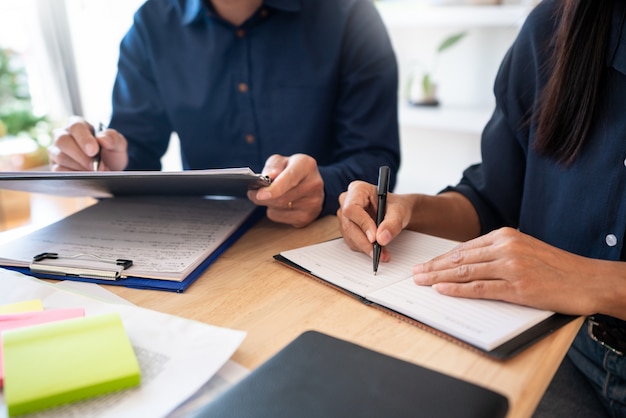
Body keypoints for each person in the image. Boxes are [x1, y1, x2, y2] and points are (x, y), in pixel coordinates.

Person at [337, 1, 626, 416]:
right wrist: (408, 209)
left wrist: (591, 282)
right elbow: (492, 201)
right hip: (557, 352)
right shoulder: (551, 28)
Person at [48, 0, 400, 228]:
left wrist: (323, 186)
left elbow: (375, 157)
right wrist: (109, 164)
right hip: (197, 243)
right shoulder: (151, 23)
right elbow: (135, 151)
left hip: (323, 236)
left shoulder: (350, 13)